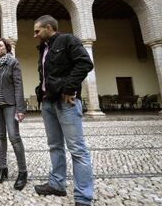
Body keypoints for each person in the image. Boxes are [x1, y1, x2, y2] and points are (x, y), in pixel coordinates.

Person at [33, 15, 94, 206]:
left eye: (37, 31)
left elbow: (85, 63)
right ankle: (57, 184)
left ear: (49, 27)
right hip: (48, 102)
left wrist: (70, 88)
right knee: (55, 146)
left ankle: (83, 197)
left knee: (77, 150)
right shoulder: (44, 47)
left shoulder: (68, 40)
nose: (35, 35)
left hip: (65, 102)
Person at [0, 38, 27, 190]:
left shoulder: (13, 62)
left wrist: (21, 109)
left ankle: (23, 172)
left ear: (7, 48)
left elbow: (18, 85)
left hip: (10, 104)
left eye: (0, 45)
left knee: (14, 137)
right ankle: (3, 169)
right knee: (0, 136)